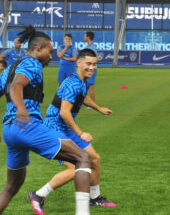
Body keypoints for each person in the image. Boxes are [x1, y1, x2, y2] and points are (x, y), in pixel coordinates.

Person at [0, 26, 92, 215]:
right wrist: (22, 109)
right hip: (27, 126)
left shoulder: (9, 68)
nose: (52, 56)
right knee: (83, 158)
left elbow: (8, 86)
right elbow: (17, 85)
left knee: (12, 185)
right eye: (49, 52)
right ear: (39, 48)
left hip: (9, 131)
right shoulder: (32, 63)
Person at [29, 48, 116, 214]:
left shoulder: (81, 81)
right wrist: (81, 133)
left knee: (94, 158)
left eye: (95, 64)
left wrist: (98, 108)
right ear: (79, 63)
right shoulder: (72, 83)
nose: (92, 67)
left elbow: (82, 97)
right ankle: (38, 195)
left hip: (66, 127)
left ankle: (94, 198)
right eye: (88, 64)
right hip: (54, 127)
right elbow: (64, 112)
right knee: (77, 167)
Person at [84, 31, 98, 103]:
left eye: (85, 36)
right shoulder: (89, 47)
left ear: (88, 37)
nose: (84, 37)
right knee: (85, 86)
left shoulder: (91, 47)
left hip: (91, 70)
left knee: (91, 87)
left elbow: (96, 58)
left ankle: (92, 104)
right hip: (87, 69)